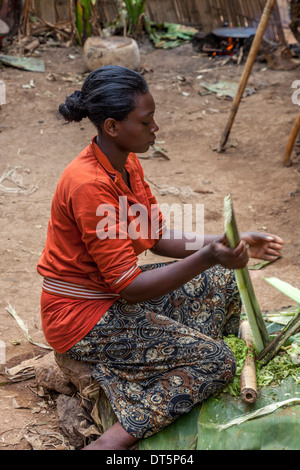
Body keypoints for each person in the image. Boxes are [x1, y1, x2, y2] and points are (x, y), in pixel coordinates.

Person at [37, 65, 283, 450]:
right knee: (216, 362)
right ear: (113, 126)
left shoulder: (125, 162)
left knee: (221, 280)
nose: (156, 129)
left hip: (110, 298)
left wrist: (227, 241)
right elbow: (131, 288)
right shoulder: (89, 184)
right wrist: (209, 257)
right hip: (80, 317)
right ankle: (110, 443)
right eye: (146, 121)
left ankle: (154, 361)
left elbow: (159, 237)